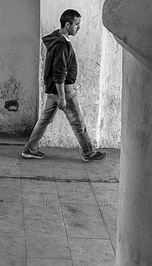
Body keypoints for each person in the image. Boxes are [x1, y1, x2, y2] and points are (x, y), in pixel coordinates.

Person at [22, 9, 105, 162]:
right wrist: (62, 97)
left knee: (45, 119)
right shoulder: (61, 45)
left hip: (54, 89)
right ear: (68, 25)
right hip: (64, 90)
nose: (78, 27)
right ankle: (89, 153)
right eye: (77, 24)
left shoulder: (56, 39)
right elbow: (59, 73)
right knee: (77, 121)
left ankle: (30, 148)